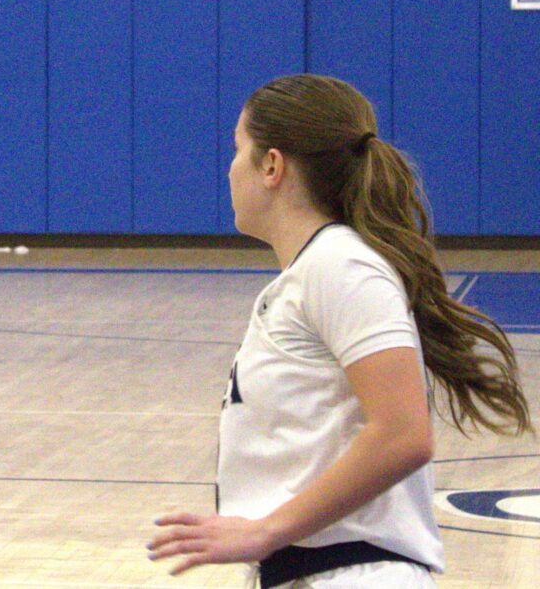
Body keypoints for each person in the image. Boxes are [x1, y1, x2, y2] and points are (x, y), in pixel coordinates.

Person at [147, 74, 532, 588]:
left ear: (272, 166)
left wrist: (266, 531)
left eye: (237, 150)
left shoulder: (341, 265)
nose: (228, 167)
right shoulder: (314, 273)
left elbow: (404, 435)